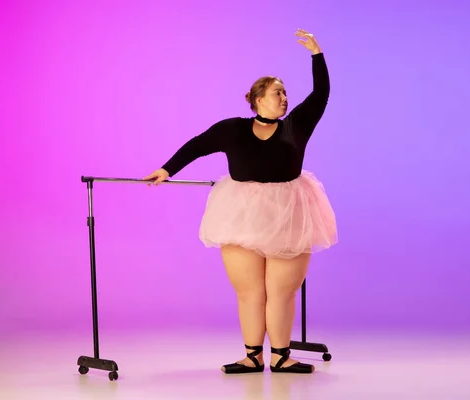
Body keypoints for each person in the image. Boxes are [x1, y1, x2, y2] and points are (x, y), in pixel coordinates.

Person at [143, 29, 337, 374]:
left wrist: (317, 54)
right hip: (241, 213)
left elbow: (321, 93)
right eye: (278, 93)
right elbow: (197, 144)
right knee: (249, 292)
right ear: (258, 99)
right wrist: (166, 169)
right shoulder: (232, 128)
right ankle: (252, 356)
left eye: (286, 94)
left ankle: (280, 355)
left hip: (289, 211)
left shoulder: (297, 125)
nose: (284, 99)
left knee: (281, 292)